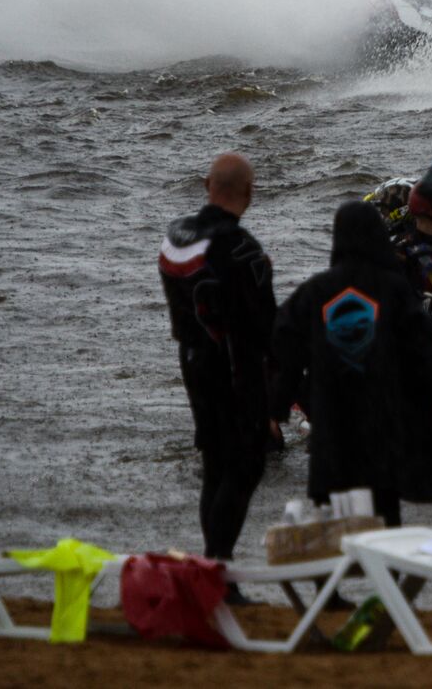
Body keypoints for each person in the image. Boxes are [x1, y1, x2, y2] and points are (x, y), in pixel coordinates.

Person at [271, 201, 432, 527]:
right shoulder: (395, 290)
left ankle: (334, 559)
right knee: (384, 519)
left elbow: (284, 348)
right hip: (382, 427)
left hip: (330, 429)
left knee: (330, 524)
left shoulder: (315, 291)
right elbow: (422, 352)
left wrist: (276, 408)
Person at [157, 153, 277, 576]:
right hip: (234, 365)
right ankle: (218, 565)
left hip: (192, 360)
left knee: (214, 464)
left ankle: (212, 565)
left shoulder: (176, 237)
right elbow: (263, 328)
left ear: (207, 185)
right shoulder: (244, 250)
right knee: (246, 463)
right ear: (249, 192)